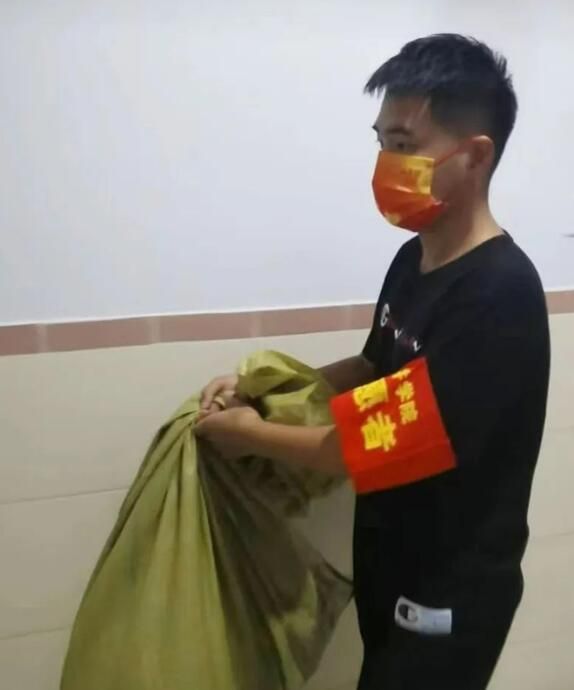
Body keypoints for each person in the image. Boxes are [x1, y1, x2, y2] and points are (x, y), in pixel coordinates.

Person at [196, 34, 550, 690]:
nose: (387, 164)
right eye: (382, 141)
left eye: (405, 144)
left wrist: (249, 436)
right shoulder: (414, 258)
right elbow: (372, 368)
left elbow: (372, 445)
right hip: (393, 558)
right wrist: (265, 390)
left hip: (451, 588)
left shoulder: (499, 293)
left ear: (475, 156)